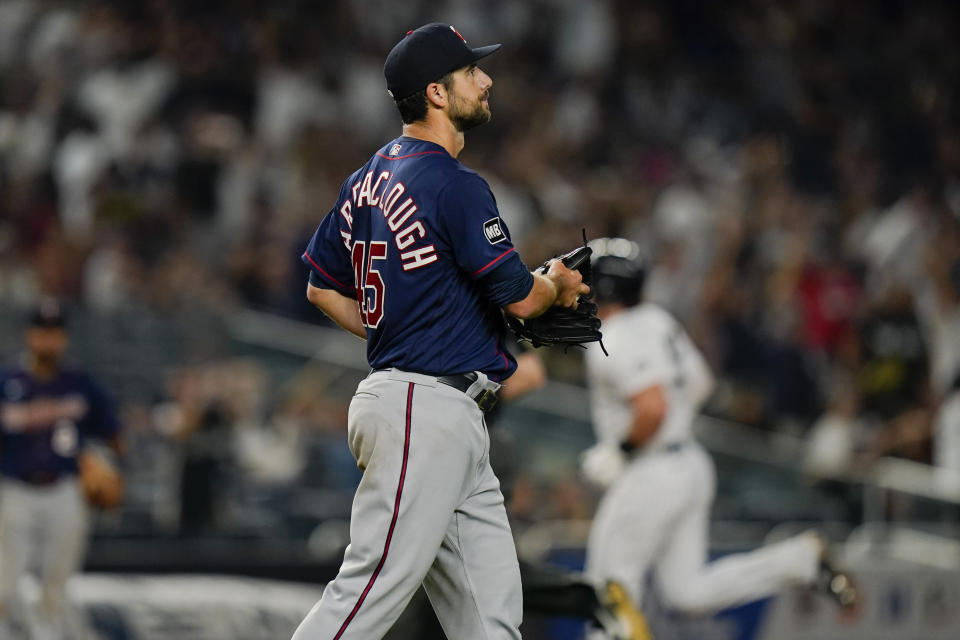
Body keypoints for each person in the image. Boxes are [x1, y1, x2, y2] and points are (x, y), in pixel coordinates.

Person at [292, 23, 588, 640]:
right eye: (470, 72)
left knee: (492, 615)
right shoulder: (455, 185)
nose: (486, 80)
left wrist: (393, 331)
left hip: (446, 416)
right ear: (435, 92)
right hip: (420, 411)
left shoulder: (365, 179)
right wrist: (556, 284)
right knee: (368, 591)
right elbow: (522, 298)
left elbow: (321, 285)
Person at [579, 238, 857, 638]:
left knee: (610, 587)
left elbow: (652, 408)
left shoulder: (615, 335)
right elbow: (700, 383)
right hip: (688, 463)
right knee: (687, 592)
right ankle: (798, 561)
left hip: (650, 471)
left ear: (604, 287)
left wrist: (620, 451)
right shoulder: (659, 320)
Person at [0, 298, 123, 640]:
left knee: (58, 580)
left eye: (55, 332)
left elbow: (113, 433)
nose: (48, 340)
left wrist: (109, 465)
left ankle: (50, 632)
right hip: (15, 489)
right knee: (3, 579)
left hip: (64, 489)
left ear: (64, 337)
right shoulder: (7, 379)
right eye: (42, 331)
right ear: (29, 335)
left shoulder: (81, 383)